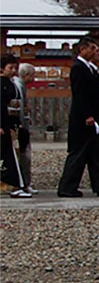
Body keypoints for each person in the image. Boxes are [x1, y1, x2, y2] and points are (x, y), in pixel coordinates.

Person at [57, 36, 99, 199]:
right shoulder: (79, 68)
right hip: (85, 120)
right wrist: (87, 115)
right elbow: (80, 94)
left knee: (97, 154)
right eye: (92, 48)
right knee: (78, 154)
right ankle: (67, 187)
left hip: (97, 118)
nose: (96, 52)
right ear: (83, 50)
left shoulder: (91, 68)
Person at [1, 55, 31, 197]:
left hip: (12, 121)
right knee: (9, 155)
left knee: (12, 153)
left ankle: (15, 184)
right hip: (4, 122)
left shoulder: (11, 83)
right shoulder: (2, 84)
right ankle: (14, 185)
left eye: (15, 68)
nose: (13, 71)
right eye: (10, 67)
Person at [13, 61, 36, 194]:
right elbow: (20, 108)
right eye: (32, 75)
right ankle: (23, 183)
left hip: (21, 123)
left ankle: (24, 182)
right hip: (20, 125)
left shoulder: (19, 85)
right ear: (26, 75)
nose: (33, 78)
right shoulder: (18, 86)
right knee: (23, 155)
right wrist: (22, 124)